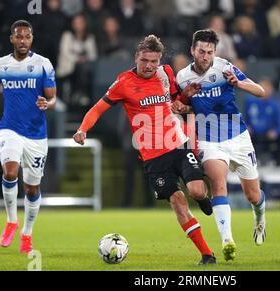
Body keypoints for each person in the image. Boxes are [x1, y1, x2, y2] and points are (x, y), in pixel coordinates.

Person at [73, 35, 216, 265]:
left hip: (178, 144)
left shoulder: (166, 73)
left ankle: (203, 198)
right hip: (153, 157)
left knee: (197, 191)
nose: (149, 66)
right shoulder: (123, 83)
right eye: (144, 60)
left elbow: (177, 101)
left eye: (154, 61)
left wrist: (185, 96)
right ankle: (207, 254)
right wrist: (82, 129)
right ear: (136, 58)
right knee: (178, 202)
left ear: (159, 61)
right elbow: (98, 109)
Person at [174, 29, 267, 261]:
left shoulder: (224, 67)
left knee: (253, 196)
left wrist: (239, 83)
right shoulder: (182, 77)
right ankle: (227, 240)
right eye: (201, 51)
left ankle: (260, 218)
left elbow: (261, 91)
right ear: (192, 50)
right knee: (218, 184)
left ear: (215, 52)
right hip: (208, 139)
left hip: (238, 136)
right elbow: (183, 107)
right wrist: (183, 103)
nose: (206, 56)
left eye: (210, 52)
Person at [0, 20, 57, 254]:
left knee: (32, 189)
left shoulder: (42, 65)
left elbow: (52, 98)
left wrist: (48, 103)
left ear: (31, 39)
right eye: (19, 36)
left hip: (36, 134)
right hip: (9, 128)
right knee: (10, 171)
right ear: (12, 39)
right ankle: (11, 221)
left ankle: (27, 234)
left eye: (27, 36)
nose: (23, 40)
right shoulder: (0, 65)